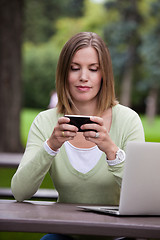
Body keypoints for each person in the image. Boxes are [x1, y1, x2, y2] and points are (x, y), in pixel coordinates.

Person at [11, 32, 145, 240]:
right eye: (75, 68)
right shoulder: (45, 122)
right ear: (64, 73)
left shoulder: (128, 120)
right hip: (67, 234)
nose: (84, 77)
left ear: (104, 75)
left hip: (119, 236)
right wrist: (51, 146)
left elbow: (143, 194)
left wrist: (111, 151)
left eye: (93, 69)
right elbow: (20, 191)